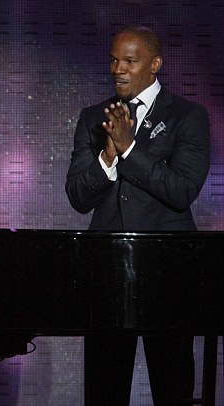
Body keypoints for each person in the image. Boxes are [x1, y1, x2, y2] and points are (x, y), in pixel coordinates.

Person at [65, 26, 211, 405]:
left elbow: (182, 190)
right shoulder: (93, 117)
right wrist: (108, 157)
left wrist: (130, 149)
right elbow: (78, 196)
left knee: (172, 386)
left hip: (168, 271)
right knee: (104, 387)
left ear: (154, 64)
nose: (119, 70)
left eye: (130, 61)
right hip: (107, 272)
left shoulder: (187, 116)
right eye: (114, 60)